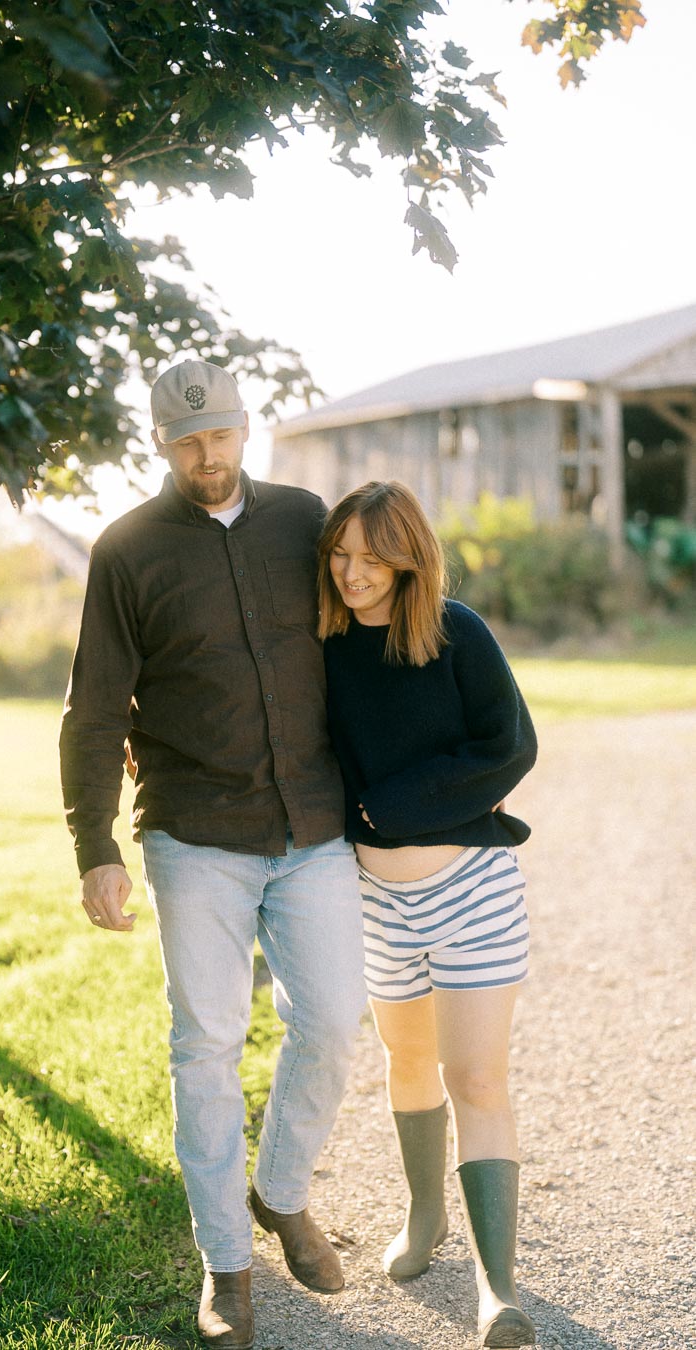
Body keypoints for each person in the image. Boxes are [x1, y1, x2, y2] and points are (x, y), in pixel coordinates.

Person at [59, 359, 367, 1350]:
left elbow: (359, 639)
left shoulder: (303, 519)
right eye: (189, 440)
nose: (209, 455)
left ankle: (280, 1193)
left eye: (222, 434)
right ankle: (225, 1264)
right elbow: (95, 710)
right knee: (206, 1047)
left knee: (330, 1019)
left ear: (246, 427)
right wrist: (95, 847)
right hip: (195, 837)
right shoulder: (126, 553)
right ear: (160, 440)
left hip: (311, 823)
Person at [318, 480, 539, 1349]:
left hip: (470, 889)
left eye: (372, 559)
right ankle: (424, 1218)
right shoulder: (325, 647)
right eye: (339, 555)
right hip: (376, 902)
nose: (352, 573)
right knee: (405, 1062)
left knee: (476, 1079)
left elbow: (510, 745)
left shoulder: (458, 633)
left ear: (408, 557)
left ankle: (498, 1289)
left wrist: (390, 807)